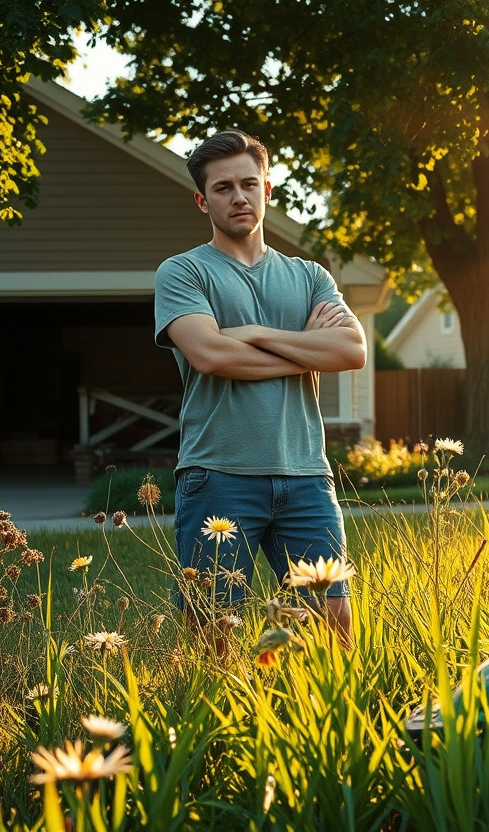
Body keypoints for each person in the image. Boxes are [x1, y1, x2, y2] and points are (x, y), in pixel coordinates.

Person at [153, 130, 366, 649]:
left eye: (249, 183)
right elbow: (209, 355)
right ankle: (223, 727)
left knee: (332, 618)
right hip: (219, 475)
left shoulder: (310, 276)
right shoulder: (184, 272)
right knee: (215, 628)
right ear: (203, 200)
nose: (239, 196)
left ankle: (317, 721)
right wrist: (302, 349)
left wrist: (252, 334)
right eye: (223, 188)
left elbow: (352, 351)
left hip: (306, 476)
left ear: (267, 189)